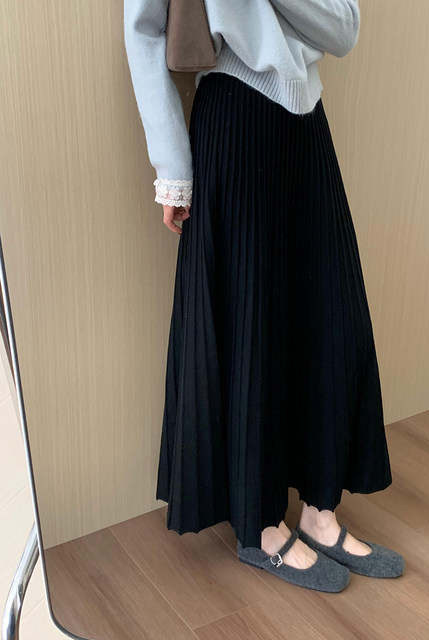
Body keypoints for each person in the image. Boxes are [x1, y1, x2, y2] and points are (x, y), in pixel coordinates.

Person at [123, 0, 405, 592]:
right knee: (253, 331)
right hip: (232, 115)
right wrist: (172, 168)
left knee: (334, 319)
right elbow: (144, 30)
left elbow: (344, 29)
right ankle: (259, 525)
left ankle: (320, 511)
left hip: (307, 120)